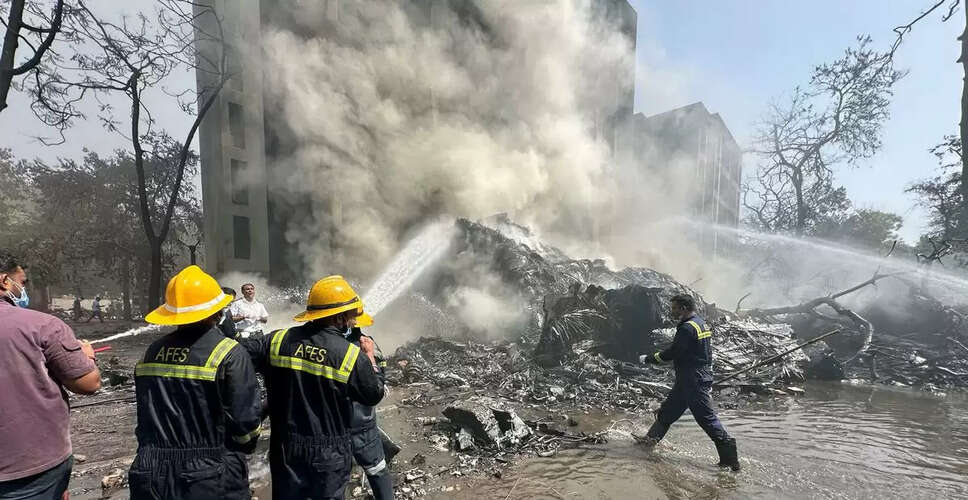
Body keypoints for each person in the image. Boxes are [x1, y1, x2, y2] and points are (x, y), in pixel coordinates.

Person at [244, 275, 385, 500]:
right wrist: (371, 359)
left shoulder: (277, 341)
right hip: (329, 453)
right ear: (339, 317)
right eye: (351, 315)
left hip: (285, 448)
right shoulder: (350, 356)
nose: (353, 321)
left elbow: (237, 359)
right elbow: (373, 394)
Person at [129, 266, 262, 499]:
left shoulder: (152, 351)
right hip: (207, 473)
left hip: (149, 470)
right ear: (217, 312)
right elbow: (245, 426)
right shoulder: (229, 353)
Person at [0, 252, 102, 499]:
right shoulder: (43, 326)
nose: (24, 289)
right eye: (22, 282)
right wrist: (87, 357)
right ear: (4, 281)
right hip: (30, 471)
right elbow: (89, 383)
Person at [636, 294, 740, 471]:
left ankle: (730, 461)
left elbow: (673, 353)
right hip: (691, 377)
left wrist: (649, 358)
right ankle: (649, 442)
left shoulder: (686, 328)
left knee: (706, 419)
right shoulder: (700, 323)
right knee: (668, 412)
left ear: (683, 308)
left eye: (674, 308)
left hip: (693, 379)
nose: (672, 311)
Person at [344, 310, 394, 500]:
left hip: (346, 420)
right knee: (376, 469)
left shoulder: (343, 345)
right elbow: (376, 386)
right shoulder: (365, 345)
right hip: (359, 420)